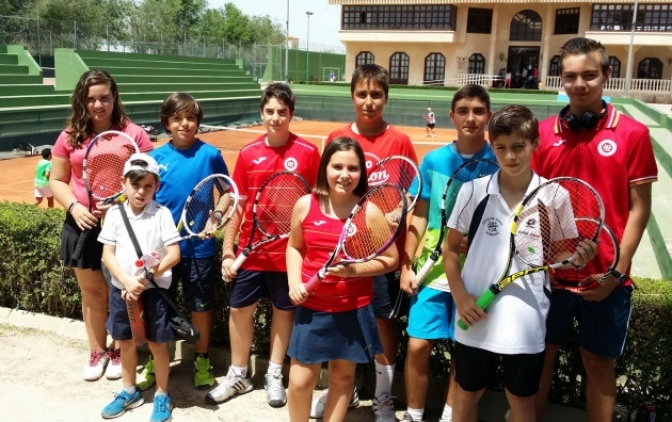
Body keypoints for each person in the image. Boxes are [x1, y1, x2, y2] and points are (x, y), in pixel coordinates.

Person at [443, 104, 596, 422]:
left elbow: (558, 259)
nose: (510, 156)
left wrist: (579, 258)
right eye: (501, 148)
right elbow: (450, 250)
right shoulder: (473, 191)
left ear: (535, 144)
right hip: (474, 312)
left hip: (526, 317)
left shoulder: (554, 196)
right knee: (467, 392)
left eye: (518, 147)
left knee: (521, 398)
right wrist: (460, 296)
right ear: (492, 146)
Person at [532, 37, 658, 422]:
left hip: (605, 277)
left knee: (598, 362)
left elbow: (640, 209)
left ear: (606, 75)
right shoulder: (542, 133)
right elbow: (533, 206)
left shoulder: (632, 133)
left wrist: (616, 273)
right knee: (540, 357)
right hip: (549, 276)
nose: (579, 84)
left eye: (589, 75)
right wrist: (539, 263)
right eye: (570, 76)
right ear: (561, 79)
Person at [208, 83, 321, 407]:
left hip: (290, 255)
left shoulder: (308, 153)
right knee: (239, 310)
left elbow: (316, 202)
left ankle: (274, 374)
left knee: (283, 312)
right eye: (270, 111)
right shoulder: (247, 154)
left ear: (291, 114)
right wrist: (229, 250)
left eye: (282, 112)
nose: (275, 117)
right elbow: (239, 206)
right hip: (252, 251)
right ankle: (239, 374)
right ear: (262, 114)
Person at [321, 63, 418, 422]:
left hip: (381, 254)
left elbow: (410, 194)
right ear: (352, 96)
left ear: (386, 97)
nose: (369, 101)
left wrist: (398, 215)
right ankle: (339, 394)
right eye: (362, 93)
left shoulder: (400, 141)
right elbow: (324, 193)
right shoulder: (335, 137)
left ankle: (382, 397)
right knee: (339, 321)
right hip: (341, 249)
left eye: (376, 94)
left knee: (381, 324)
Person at [399, 84, 496, 422]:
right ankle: (413, 414)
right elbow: (421, 214)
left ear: (488, 117)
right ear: (452, 116)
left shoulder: (499, 162)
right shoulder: (434, 160)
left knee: (464, 353)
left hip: (478, 275)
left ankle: (451, 416)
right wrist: (407, 264)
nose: (471, 118)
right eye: (464, 111)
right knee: (417, 345)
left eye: (479, 111)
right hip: (434, 271)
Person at [50, 69, 153, 381]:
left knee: (123, 293)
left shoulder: (134, 134)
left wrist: (123, 206)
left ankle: (123, 350)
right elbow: (57, 180)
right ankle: (98, 351)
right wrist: (75, 206)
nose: (98, 105)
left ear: (114, 98)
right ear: (82, 100)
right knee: (93, 293)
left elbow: (148, 181)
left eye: (104, 98)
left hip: (124, 226)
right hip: (82, 223)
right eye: (91, 99)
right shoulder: (69, 135)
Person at [286, 136, 398, 422]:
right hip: (312, 309)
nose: (345, 175)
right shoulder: (304, 205)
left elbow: (391, 259)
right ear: (325, 168)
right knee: (299, 383)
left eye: (353, 168)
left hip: (352, 308)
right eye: (337, 166)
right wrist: (294, 283)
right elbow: (295, 247)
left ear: (362, 172)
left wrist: (354, 271)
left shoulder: (369, 211)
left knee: (342, 378)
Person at [145, 92, 229, 391]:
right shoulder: (154, 159)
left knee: (200, 307)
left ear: (198, 122)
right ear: (167, 122)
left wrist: (216, 216)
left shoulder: (211, 155)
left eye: (191, 118)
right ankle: (158, 359)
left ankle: (202, 359)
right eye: (178, 118)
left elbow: (227, 191)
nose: (185, 123)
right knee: (158, 307)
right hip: (162, 250)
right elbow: (145, 200)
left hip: (199, 248)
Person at [97, 154, 181, 422]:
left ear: (156, 186)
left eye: (148, 185)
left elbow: (174, 254)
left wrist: (145, 278)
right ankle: (129, 391)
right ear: (124, 183)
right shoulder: (114, 214)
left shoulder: (162, 214)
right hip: (123, 291)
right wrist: (126, 279)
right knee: (126, 343)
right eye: (135, 184)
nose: (141, 191)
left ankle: (161, 394)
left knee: (158, 344)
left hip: (155, 292)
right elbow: (107, 255)